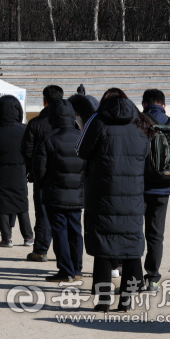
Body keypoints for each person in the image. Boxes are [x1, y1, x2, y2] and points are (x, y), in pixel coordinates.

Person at [76, 88, 150, 312]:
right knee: (130, 245)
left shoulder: (97, 120)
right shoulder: (141, 122)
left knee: (104, 247)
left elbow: (81, 150)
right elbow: (146, 152)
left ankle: (103, 302)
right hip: (133, 195)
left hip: (102, 194)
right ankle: (126, 301)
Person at [140, 89, 170, 293]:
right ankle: (152, 279)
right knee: (155, 235)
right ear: (164, 105)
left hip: (139, 187)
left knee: (132, 231)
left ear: (144, 104)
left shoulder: (139, 122)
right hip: (164, 187)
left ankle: (129, 276)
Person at [33, 99, 85, 282]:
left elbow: (38, 170)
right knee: (75, 231)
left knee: (60, 232)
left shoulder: (47, 138)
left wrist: (44, 186)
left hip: (55, 193)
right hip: (77, 193)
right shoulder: (82, 136)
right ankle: (77, 269)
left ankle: (66, 270)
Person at [0, 95, 34, 246]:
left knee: (1, 206)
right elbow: (31, 151)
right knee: (22, 206)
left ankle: (6, 238)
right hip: (19, 172)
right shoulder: (24, 129)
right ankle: (28, 237)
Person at [22, 85, 63, 262]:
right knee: (65, 215)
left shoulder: (35, 123)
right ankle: (63, 252)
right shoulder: (70, 124)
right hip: (66, 176)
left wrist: (33, 169)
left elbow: (27, 151)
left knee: (43, 213)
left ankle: (41, 249)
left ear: (44, 101)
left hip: (42, 176)